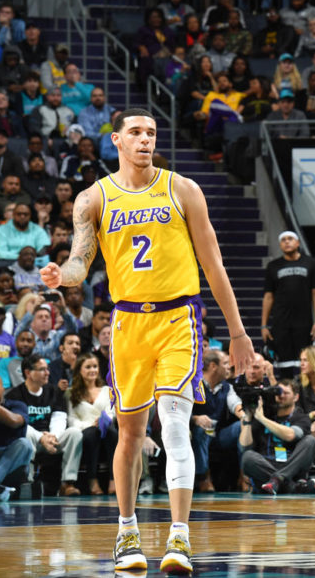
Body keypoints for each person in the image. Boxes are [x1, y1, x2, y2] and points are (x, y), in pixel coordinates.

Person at [39, 108, 253, 574]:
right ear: (116, 140)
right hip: (127, 324)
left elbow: (214, 265)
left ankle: (179, 537)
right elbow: (80, 261)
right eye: (135, 132)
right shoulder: (92, 199)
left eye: (151, 133)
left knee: (175, 424)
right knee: (131, 434)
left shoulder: (183, 189)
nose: (145, 140)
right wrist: (62, 277)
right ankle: (127, 531)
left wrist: (237, 332)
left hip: (180, 318)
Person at [7, 355, 83, 496]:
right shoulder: (15, 395)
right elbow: (21, 424)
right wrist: (41, 437)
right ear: (28, 373)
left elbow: (59, 417)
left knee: (74, 433)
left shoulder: (53, 391)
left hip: (52, 439)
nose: (48, 373)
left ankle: (67, 483)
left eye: (47, 369)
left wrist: (52, 436)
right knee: (26, 434)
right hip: (32, 438)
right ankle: (27, 482)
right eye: (42, 369)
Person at [238, 378, 315, 495]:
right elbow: (244, 447)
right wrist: (248, 418)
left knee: (310, 441)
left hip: (291, 466)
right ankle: (293, 487)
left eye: (286, 393)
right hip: (267, 465)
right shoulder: (266, 414)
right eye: (279, 392)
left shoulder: (301, 418)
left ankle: (278, 480)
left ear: (296, 397)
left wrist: (262, 419)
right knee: (247, 457)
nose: (281, 396)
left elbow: (290, 435)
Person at [261, 231, 315, 378]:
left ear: (298, 243)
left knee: (306, 362)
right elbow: (268, 296)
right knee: (283, 364)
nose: (286, 242)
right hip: (280, 322)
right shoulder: (273, 266)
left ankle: (304, 395)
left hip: (304, 322)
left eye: (290, 239)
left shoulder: (311, 263)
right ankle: (286, 394)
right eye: (283, 240)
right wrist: (264, 325)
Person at [190, 350, 242, 493]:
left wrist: (244, 416)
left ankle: (245, 476)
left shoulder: (227, 387)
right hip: (196, 431)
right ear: (213, 366)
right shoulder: (193, 384)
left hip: (219, 433)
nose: (229, 368)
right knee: (201, 430)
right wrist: (195, 418)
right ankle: (203, 477)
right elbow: (180, 411)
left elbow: (235, 404)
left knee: (242, 427)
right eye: (225, 363)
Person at [66, 353, 118, 496]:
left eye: (95, 366)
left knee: (112, 432)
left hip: (105, 428)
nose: (92, 370)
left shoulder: (107, 390)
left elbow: (111, 412)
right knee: (92, 433)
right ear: (80, 371)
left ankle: (114, 480)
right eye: (88, 367)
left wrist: (104, 420)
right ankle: (92, 480)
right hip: (85, 431)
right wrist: (90, 424)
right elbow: (71, 419)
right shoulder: (72, 393)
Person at [0, 371, 33, 502]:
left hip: (11, 462)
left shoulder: (17, 405)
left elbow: (14, 421)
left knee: (25, 444)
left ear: (3, 389)